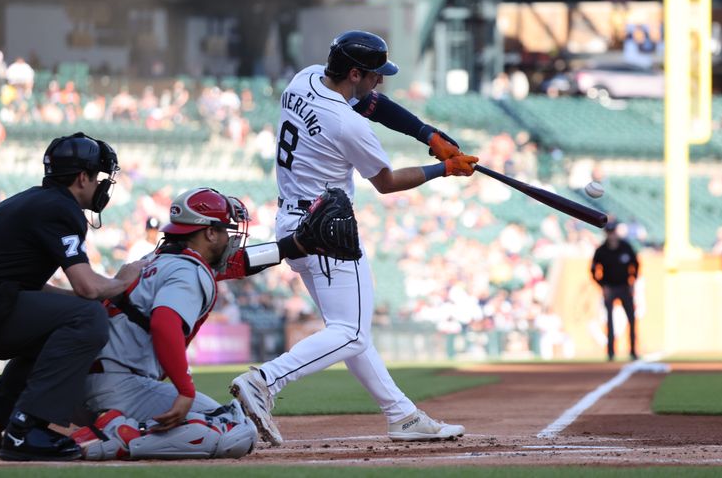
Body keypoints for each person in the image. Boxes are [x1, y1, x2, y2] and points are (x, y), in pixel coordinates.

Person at [230, 30, 478, 446]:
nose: (380, 81)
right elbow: (386, 182)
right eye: (374, 74)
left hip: (293, 222)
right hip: (328, 229)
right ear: (354, 72)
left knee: (349, 328)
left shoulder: (305, 79)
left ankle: (402, 416)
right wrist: (444, 169)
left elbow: (373, 103)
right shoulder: (347, 125)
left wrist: (427, 135)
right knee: (353, 332)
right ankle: (264, 381)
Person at [75, 187, 323, 460]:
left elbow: (238, 264)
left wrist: (294, 245)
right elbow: (164, 324)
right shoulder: (188, 269)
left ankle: (117, 427)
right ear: (209, 232)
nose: (231, 239)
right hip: (123, 385)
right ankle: (115, 436)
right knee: (237, 430)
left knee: (225, 416)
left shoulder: (156, 260)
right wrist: (184, 389)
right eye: (225, 230)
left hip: (93, 379)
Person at [0, 132, 146, 461]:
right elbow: (87, 286)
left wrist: (81, 300)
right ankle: (26, 429)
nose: (102, 185)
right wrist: (122, 281)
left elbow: (25, 286)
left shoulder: (34, 201)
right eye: (98, 177)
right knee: (88, 316)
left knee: (64, 320)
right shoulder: (61, 208)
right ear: (81, 177)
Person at [591, 222, 640, 361]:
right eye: (609, 232)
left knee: (631, 319)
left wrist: (632, 281)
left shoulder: (625, 247)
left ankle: (633, 350)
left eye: (613, 232)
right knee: (610, 321)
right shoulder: (601, 250)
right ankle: (611, 351)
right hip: (610, 288)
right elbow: (593, 269)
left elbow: (635, 264)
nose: (611, 235)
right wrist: (602, 285)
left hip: (625, 286)